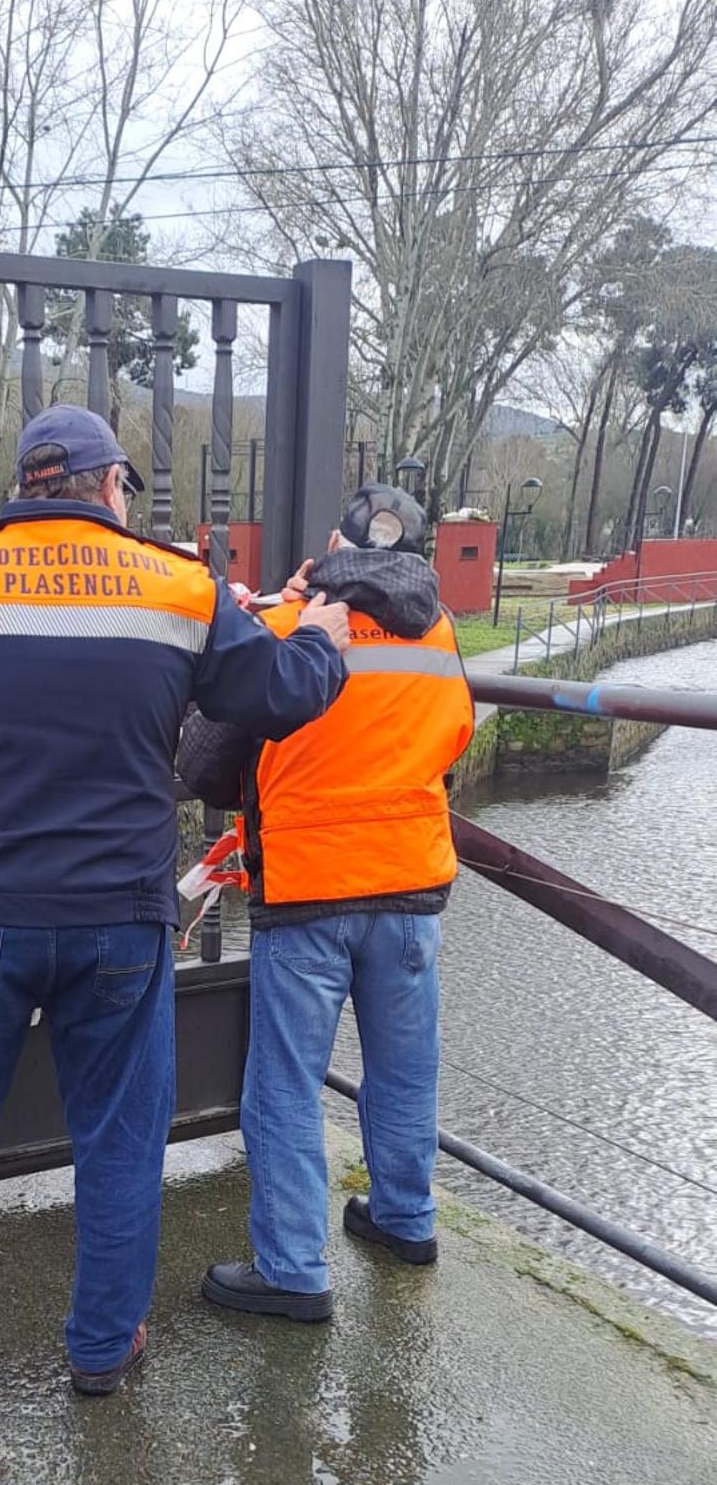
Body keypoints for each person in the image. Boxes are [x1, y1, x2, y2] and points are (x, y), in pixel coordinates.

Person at [0, 404, 351, 1426]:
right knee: (119, 1139)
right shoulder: (179, 585)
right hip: (122, 919)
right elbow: (279, 692)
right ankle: (104, 1348)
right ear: (113, 488)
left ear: (23, 485)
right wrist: (324, 638)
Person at [177, 481, 475, 1322]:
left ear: (336, 552)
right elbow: (456, 734)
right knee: (405, 1067)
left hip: (310, 888)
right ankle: (405, 1218)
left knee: (284, 1084)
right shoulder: (442, 631)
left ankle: (293, 1268)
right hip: (412, 884)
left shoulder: (288, 628)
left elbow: (203, 765)